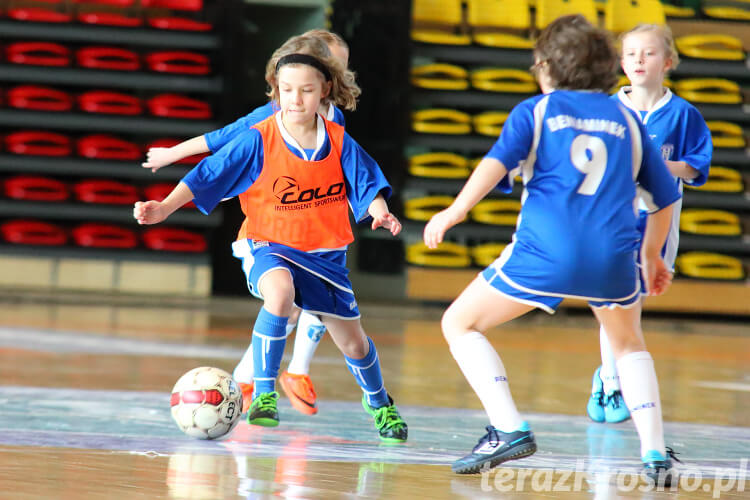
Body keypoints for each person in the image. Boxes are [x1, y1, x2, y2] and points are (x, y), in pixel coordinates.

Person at [422, 15, 681, 482]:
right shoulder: (628, 119)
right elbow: (665, 196)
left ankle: (508, 428)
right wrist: (652, 255)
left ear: (547, 67)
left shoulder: (536, 111)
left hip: (545, 254)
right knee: (627, 345)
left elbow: (496, 163)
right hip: (613, 258)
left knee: (459, 322)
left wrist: (454, 211)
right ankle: (655, 453)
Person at [134, 34, 408, 443]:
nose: (295, 99)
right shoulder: (259, 137)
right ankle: (263, 392)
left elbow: (366, 183)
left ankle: (380, 402)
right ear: (275, 92)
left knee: (354, 345)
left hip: (325, 255)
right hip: (270, 243)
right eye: (287, 91)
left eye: (306, 91)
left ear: (324, 91)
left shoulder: (338, 140)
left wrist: (380, 211)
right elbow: (207, 174)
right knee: (279, 295)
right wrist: (165, 207)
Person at [586, 23, 712, 424]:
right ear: (621, 64)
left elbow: (695, 168)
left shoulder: (683, 114)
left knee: (630, 303)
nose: (640, 59)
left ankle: (609, 374)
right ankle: (610, 380)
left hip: (656, 221)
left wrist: (653, 165)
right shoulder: (606, 109)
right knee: (616, 300)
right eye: (632, 54)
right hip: (609, 220)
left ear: (668, 61)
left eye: (649, 53)